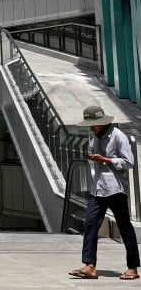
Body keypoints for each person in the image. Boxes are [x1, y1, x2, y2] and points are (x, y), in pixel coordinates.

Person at [69, 105, 140, 281]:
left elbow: (129, 162)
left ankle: (133, 267)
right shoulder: (95, 136)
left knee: (124, 227)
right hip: (98, 188)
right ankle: (90, 265)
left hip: (116, 188)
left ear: (102, 122)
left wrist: (106, 160)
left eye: (93, 124)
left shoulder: (118, 136)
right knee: (90, 224)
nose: (91, 127)